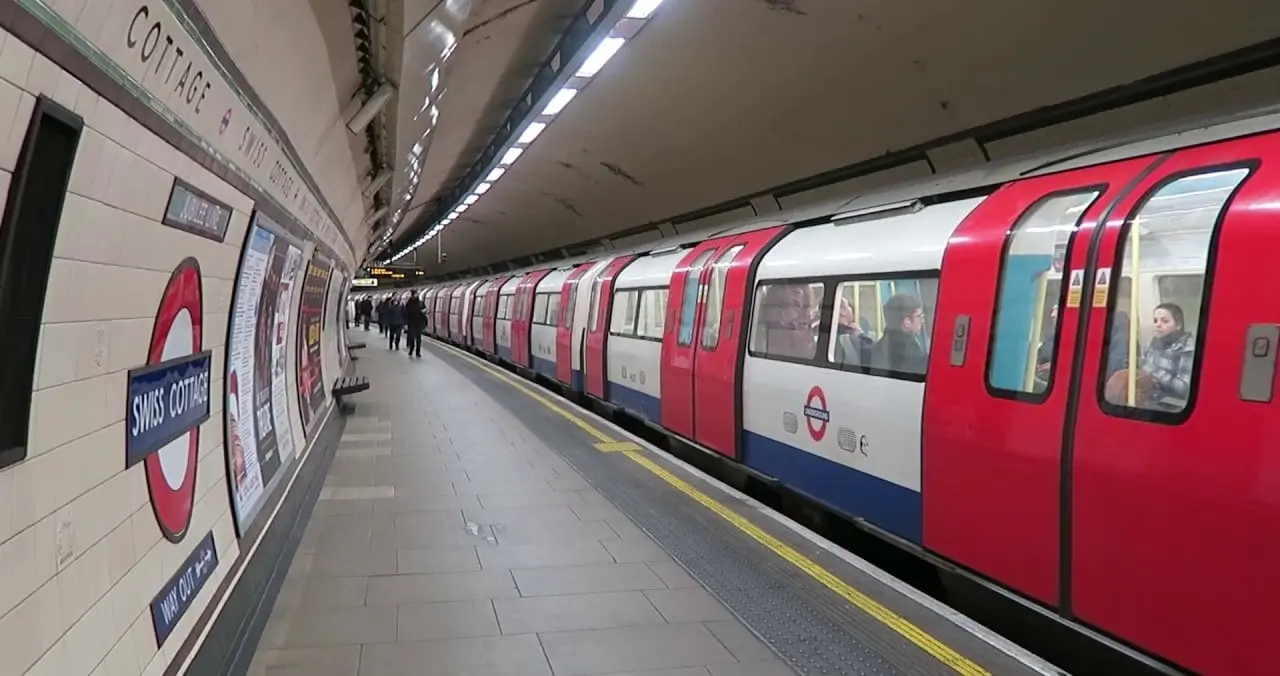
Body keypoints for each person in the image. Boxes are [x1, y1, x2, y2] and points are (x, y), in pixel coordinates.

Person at [870, 293, 928, 374]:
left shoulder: (879, 346)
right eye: (919, 316)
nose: (922, 320)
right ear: (907, 322)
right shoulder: (915, 356)